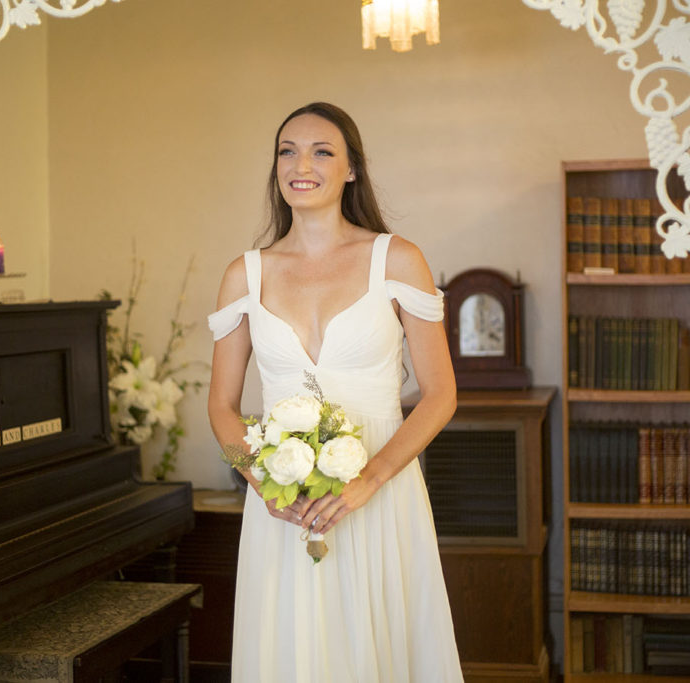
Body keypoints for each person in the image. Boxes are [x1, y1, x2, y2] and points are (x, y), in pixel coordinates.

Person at [207, 102, 464, 682]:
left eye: (322, 151)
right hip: (283, 507)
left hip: (378, 497)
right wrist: (261, 482)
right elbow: (221, 405)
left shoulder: (397, 259)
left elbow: (440, 393)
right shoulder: (243, 275)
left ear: (351, 169)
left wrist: (368, 482)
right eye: (287, 151)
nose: (303, 164)